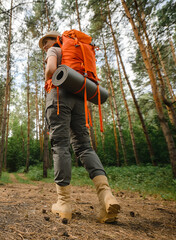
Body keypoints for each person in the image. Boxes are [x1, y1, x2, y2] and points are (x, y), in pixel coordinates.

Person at [38, 31, 121, 223]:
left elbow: (51, 69)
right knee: (84, 146)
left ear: (57, 39)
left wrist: (47, 72)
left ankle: (64, 203)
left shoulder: (55, 49)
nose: (44, 45)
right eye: (43, 43)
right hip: (79, 98)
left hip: (59, 96)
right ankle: (106, 196)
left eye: (46, 41)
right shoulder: (75, 51)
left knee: (60, 145)